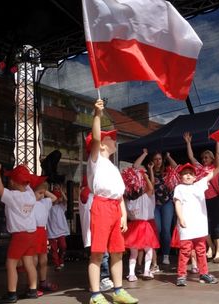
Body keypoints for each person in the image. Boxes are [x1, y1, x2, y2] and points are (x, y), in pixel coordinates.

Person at [86, 99, 138, 304]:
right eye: (111, 139)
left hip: (115, 208)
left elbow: (119, 195)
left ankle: (118, 292)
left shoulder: (113, 168)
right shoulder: (95, 160)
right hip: (101, 206)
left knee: (117, 251)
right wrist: (97, 114)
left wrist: (123, 214)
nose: (114, 141)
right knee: (98, 253)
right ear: (101, 146)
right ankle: (96, 295)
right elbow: (96, 138)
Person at [173, 162, 219, 287]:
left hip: (199, 225)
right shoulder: (179, 188)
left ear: (195, 177)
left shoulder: (198, 185)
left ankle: (204, 273)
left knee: (201, 250)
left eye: (190, 174)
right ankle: (181, 275)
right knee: (185, 250)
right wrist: (181, 218)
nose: (188, 176)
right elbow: (178, 203)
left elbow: (210, 175)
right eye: (185, 174)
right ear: (180, 176)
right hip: (187, 225)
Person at [0, 164, 38, 303]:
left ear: (12, 182)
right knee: (29, 263)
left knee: (11, 263)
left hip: (20, 235)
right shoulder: (30, 195)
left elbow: (0, 190)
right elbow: (28, 183)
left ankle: (12, 294)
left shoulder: (13, 196)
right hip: (32, 233)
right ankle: (33, 290)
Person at [183, 131, 219, 262]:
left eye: (207, 157)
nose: (204, 159)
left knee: (215, 226)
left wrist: (218, 139)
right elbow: (191, 157)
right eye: (203, 158)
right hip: (202, 200)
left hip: (214, 198)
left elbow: (218, 153)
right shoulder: (200, 169)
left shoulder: (215, 168)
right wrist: (188, 143)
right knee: (204, 225)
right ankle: (211, 247)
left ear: (212, 159)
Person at [123, 159, 159, 281]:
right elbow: (150, 186)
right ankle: (146, 271)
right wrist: (144, 174)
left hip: (133, 226)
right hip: (144, 226)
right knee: (148, 250)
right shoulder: (145, 195)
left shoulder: (128, 200)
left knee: (133, 253)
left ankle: (132, 274)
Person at [78, 175, 114, 292]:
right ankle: (103, 279)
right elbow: (86, 191)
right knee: (101, 256)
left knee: (100, 257)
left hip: (99, 233)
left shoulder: (95, 195)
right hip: (91, 235)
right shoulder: (85, 195)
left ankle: (96, 283)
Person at [30, 177, 59, 293]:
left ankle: (43, 281)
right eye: (39, 193)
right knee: (34, 259)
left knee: (43, 259)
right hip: (33, 231)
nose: (42, 195)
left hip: (42, 232)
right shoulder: (29, 202)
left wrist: (43, 189)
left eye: (43, 193)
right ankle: (32, 284)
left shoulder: (45, 202)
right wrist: (36, 190)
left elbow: (54, 197)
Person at [150, 150, 177, 267]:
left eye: (160, 159)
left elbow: (176, 168)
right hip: (155, 204)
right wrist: (150, 170)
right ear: (152, 161)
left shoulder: (167, 171)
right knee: (158, 229)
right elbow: (151, 185)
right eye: (155, 159)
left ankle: (166, 255)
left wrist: (169, 157)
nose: (158, 161)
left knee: (166, 229)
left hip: (167, 203)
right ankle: (154, 256)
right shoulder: (149, 172)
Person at [47, 183, 69, 271]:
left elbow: (66, 200)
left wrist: (61, 191)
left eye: (58, 198)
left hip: (61, 230)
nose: (57, 199)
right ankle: (57, 264)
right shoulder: (48, 206)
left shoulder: (61, 206)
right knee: (54, 249)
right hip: (51, 231)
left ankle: (61, 260)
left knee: (63, 246)